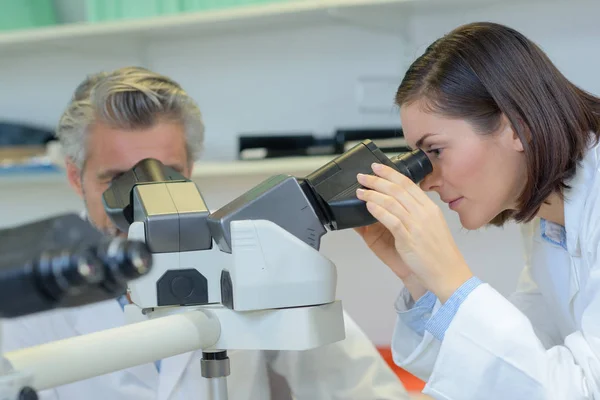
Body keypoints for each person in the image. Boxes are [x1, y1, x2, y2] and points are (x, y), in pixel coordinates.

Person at [1, 67, 409, 400]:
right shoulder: (30, 284)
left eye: (169, 174)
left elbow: (359, 387)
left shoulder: (250, 248)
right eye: (118, 178)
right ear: (76, 177)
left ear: (191, 169)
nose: (145, 199)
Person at [354, 21, 600, 399]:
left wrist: (451, 276)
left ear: (517, 127)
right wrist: (418, 277)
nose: (427, 180)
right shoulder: (549, 222)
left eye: (435, 151)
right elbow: (519, 368)